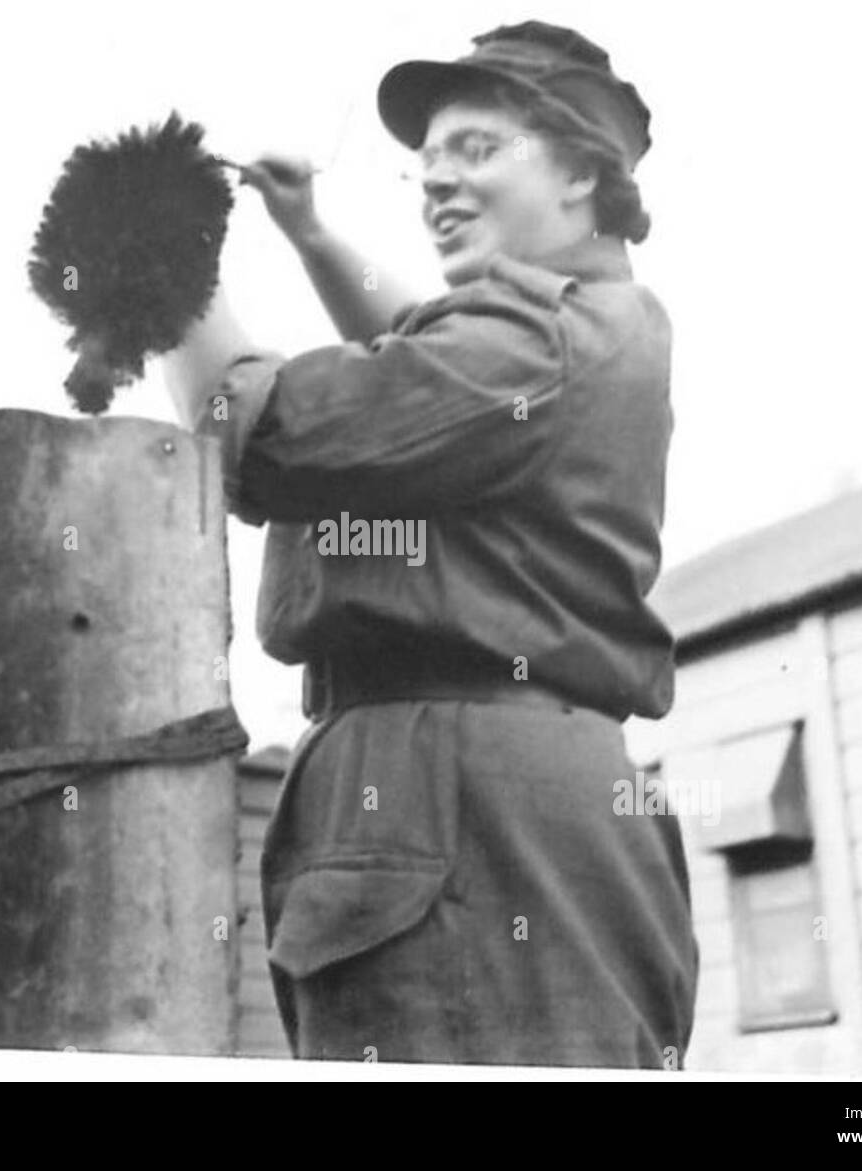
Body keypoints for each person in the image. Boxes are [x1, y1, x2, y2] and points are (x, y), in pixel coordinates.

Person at [164, 19, 699, 1067]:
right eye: (428, 158)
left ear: (586, 175)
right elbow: (420, 351)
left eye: (479, 149)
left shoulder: (531, 341)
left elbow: (261, 437)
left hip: (451, 799)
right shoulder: (588, 325)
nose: (435, 181)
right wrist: (312, 236)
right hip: (534, 792)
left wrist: (160, 268)